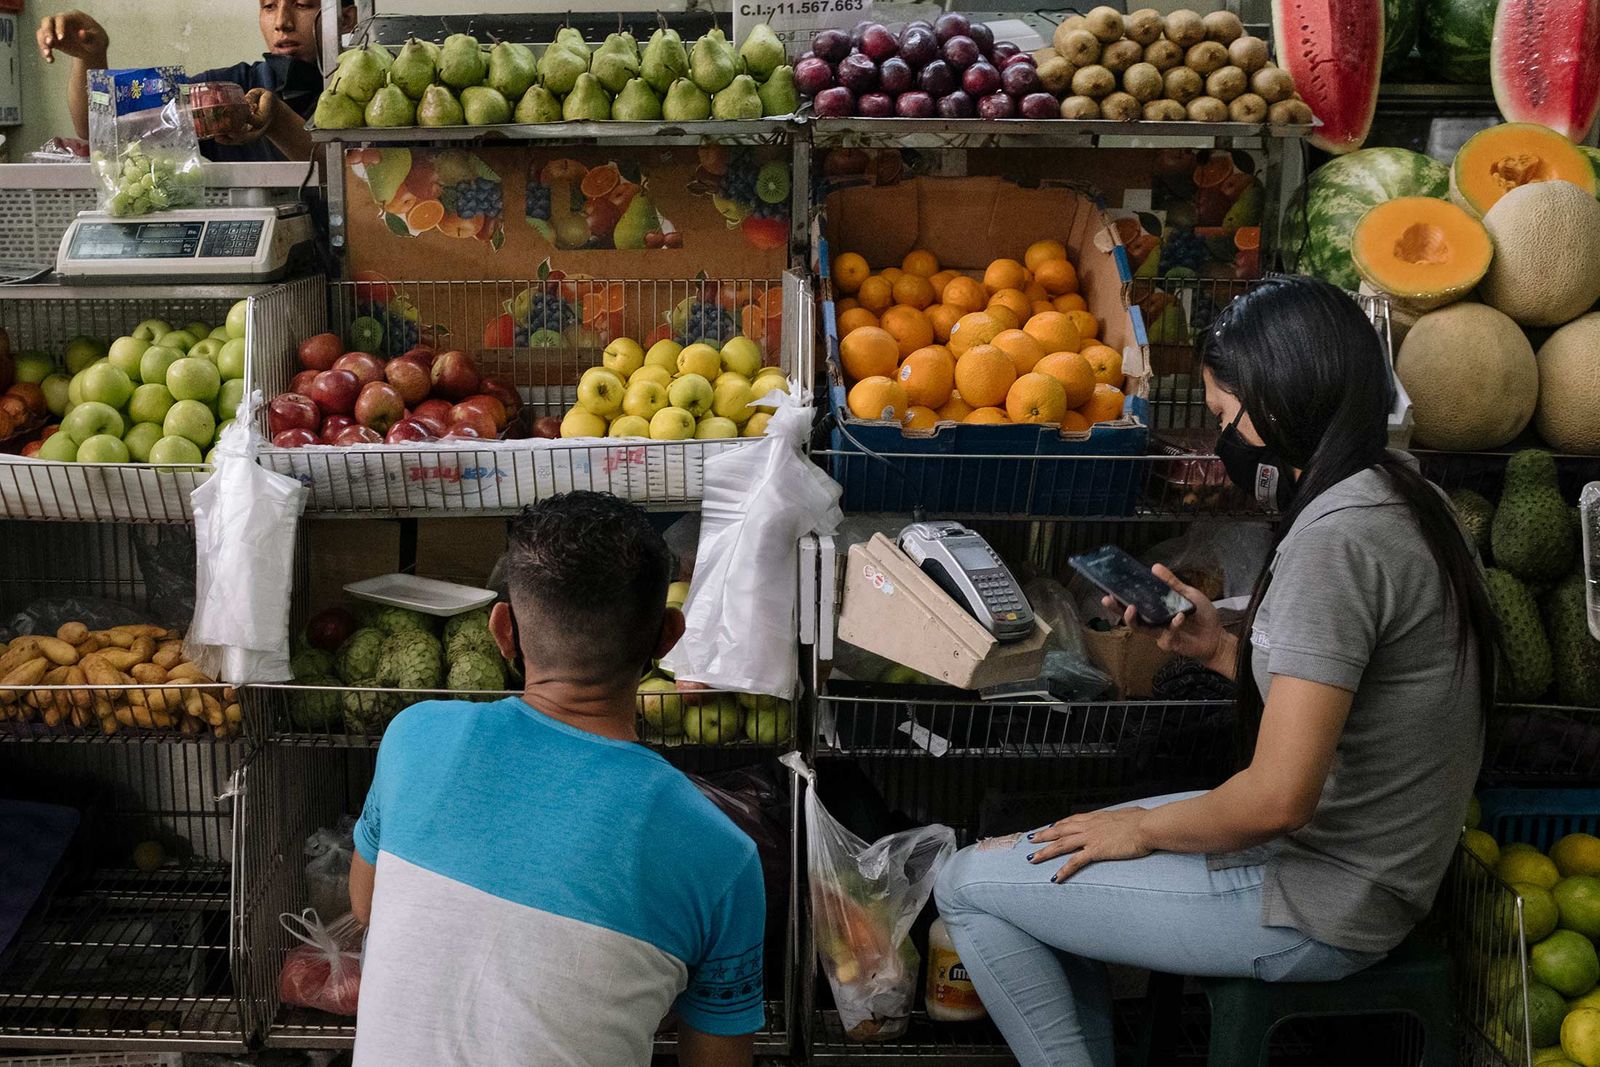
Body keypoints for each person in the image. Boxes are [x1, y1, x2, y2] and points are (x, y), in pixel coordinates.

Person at [933, 275, 1494, 1067]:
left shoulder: (1338, 539)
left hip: (1323, 895)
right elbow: (1353, 705)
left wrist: (1139, 828)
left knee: (967, 884)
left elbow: (1278, 797)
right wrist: (1223, 649)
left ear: (1285, 401)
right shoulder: (1406, 494)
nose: (1225, 438)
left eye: (1227, 417)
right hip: (1372, 866)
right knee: (1049, 855)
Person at [347, 492, 767, 1067]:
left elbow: (366, 905)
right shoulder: (724, 858)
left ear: (503, 631)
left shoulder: (412, 738)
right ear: (669, 638)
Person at [35, 0, 357, 162]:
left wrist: (278, 121)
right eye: (269, 6)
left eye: (303, 5)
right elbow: (102, 129)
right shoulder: (228, 88)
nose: (282, 23)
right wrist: (90, 57)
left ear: (346, 19)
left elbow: (354, 178)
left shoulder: (364, 95)